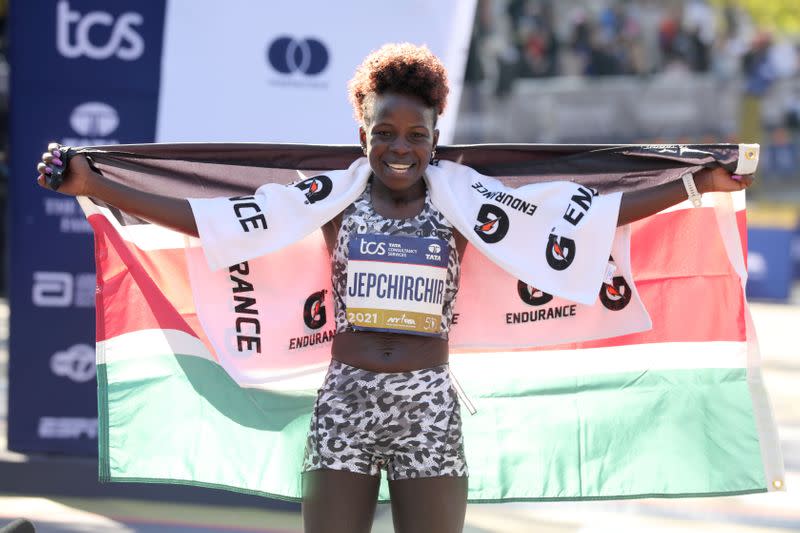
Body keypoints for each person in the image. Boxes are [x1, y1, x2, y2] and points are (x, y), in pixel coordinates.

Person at [37, 43, 752, 533]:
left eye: (417, 133)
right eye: (386, 132)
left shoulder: (467, 204)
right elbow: (212, 222)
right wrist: (92, 182)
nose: (401, 147)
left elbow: (589, 218)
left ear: (437, 135)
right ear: (363, 131)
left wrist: (693, 181)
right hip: (346, 396)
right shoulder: (335, 199)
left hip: (428, 407)